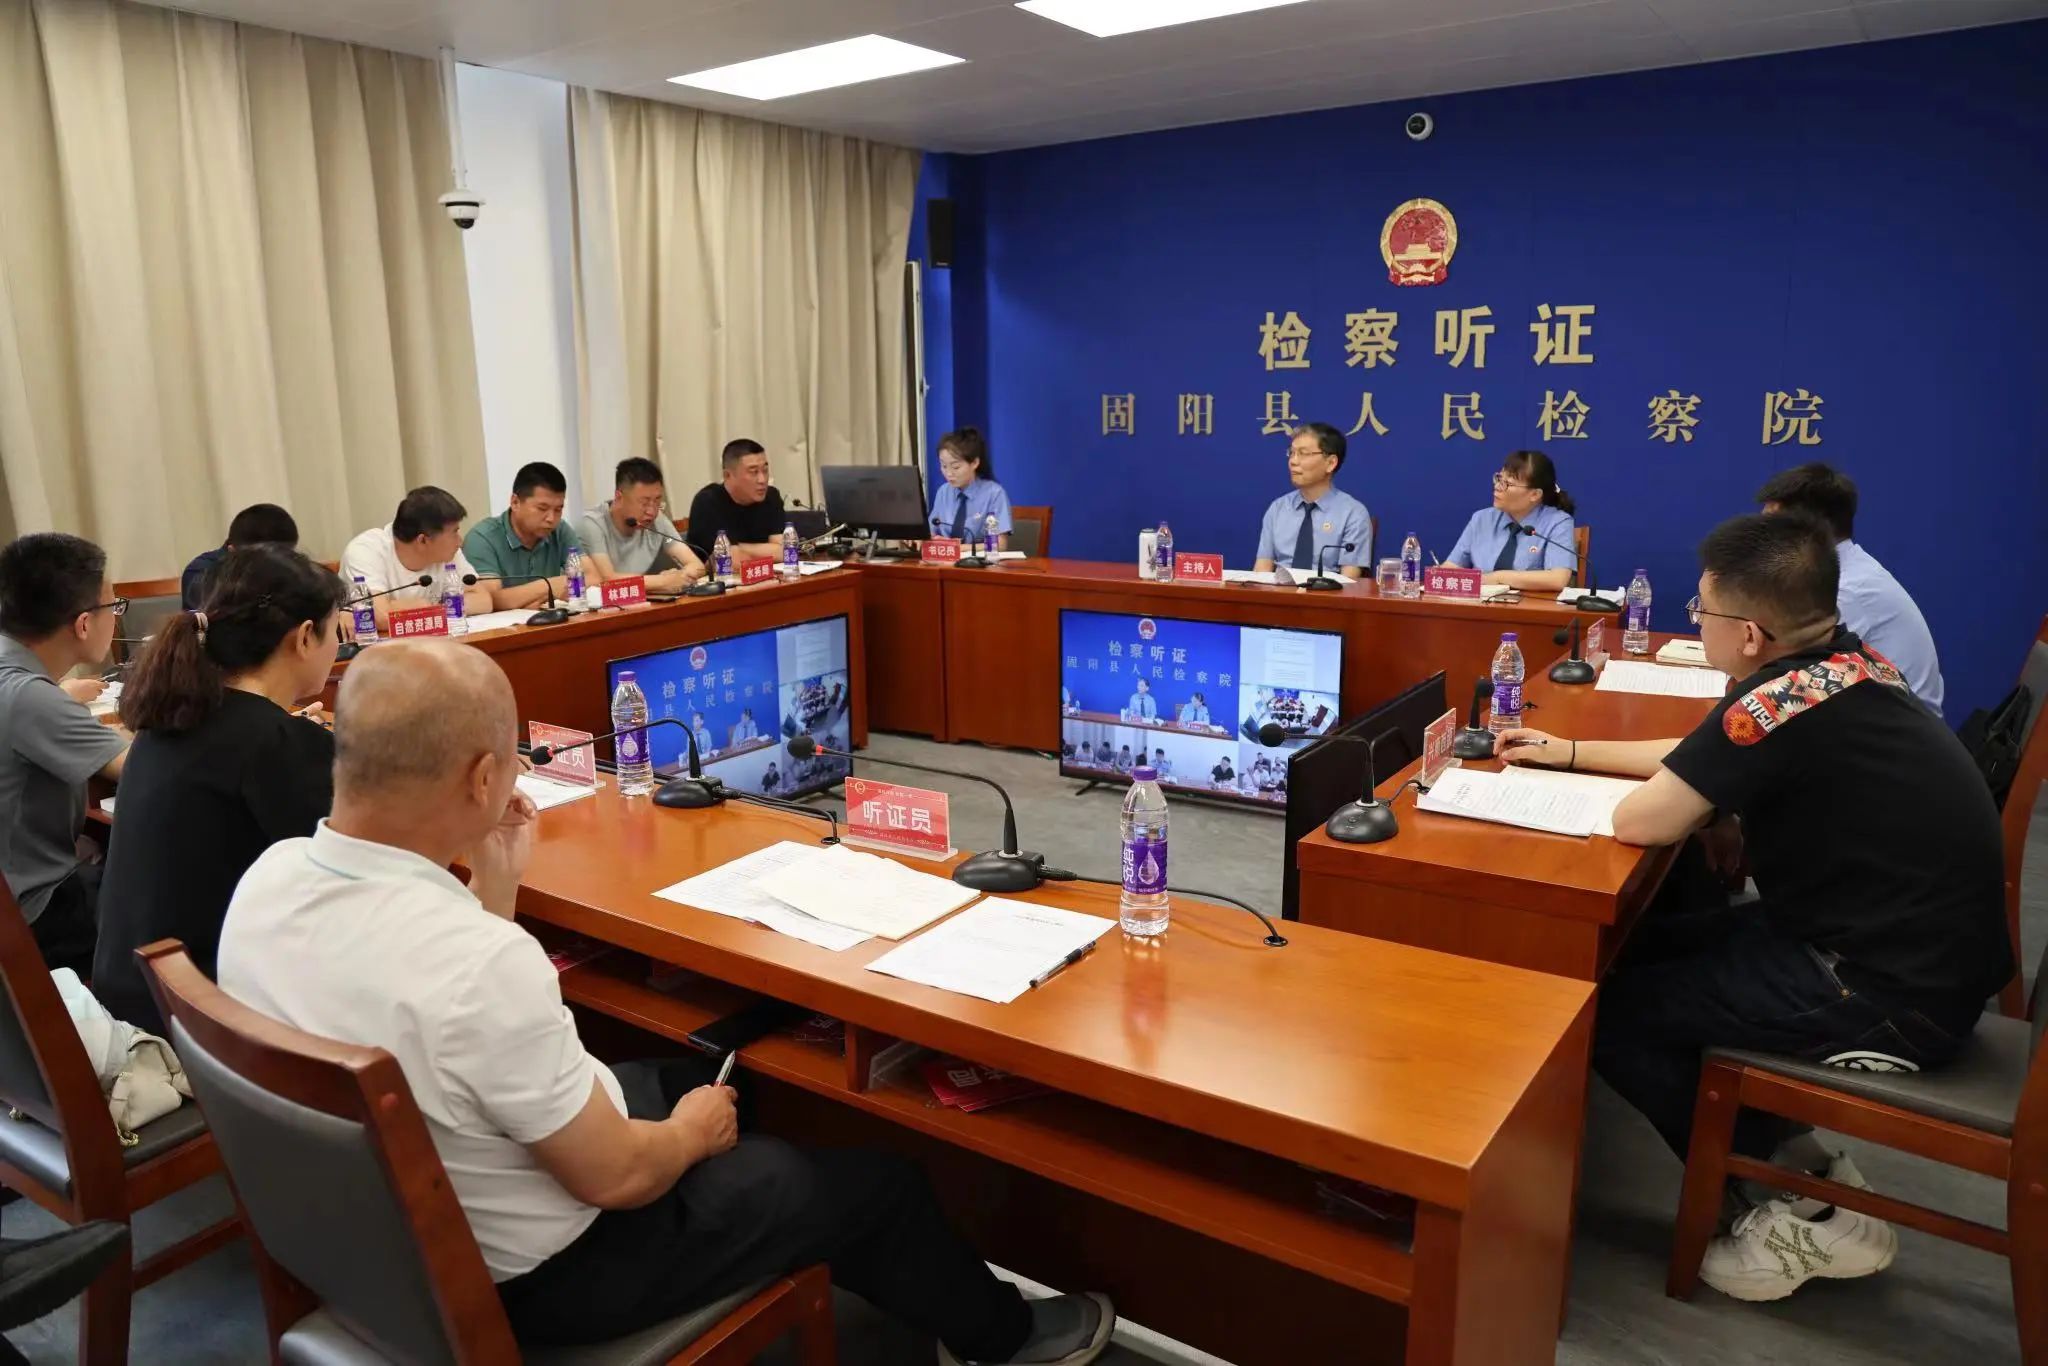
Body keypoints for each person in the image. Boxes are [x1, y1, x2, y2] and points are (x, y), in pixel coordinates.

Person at [216, 642, 1111, 1364]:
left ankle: (786, 1231)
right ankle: (1006, 1338)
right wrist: (690, 1136)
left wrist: (496, 894)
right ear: (485, 779)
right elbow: (615, 1178)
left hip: (372, 1240)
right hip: (548, 1276)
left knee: (706, 1073)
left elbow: (442, 1016)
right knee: (877, 1184)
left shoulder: (265, 883)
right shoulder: (480, 968)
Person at [1495, 513, 2009, 1305]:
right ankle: (1801, 1165)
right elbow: (1705, 759)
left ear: (1748, 634)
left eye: (1701, 611)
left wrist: (1695, 805)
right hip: (1906, 953)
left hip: (1889, 997)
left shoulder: (1774, 704)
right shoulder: (1843, 666)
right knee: (1642, 949)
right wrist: (1568, 752)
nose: (1696, 621)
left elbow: (1643, 821)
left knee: (1614, 1012)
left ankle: (1795, 1208)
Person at [94, 547, 343, 1034]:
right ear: (304, 637)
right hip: (207, 1023)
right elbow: (351, 878)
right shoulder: (277, 743)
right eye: (336, 630)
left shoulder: (170, 719)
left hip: (137, 998)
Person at [0, 534, 129, 975]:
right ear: (83, 624)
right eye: (114, 607)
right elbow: (144, 770)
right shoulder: (32, 698)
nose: (116, 617)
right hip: (31, 914)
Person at [1756, 462, 1944, 715]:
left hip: (1895, 730)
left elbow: (1792, 684)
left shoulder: (1848, 591)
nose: (1763, 536)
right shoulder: (1838, 572)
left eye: (1772, 524)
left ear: (1811, 529)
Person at [341, 486, 490, 629]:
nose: (460, 541)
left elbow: (483, 600)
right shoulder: (366, 551)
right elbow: (380, 616)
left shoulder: (448, 553)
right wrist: (446, 606)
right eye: (454, 532)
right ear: (423, 540)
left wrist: (430, 608)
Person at [463, 463, 592, 613]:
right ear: (515, 503)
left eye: (558, 510)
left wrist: (535, 597)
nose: (551, 518)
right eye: (542, 509)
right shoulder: (482, 537)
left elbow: (593, 577)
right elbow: (491, 599)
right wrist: (549, 586)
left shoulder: (559, 530)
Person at [1444, 450, 1579, 592]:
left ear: (1535, 494)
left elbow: (1557, 579)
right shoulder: (1481, 519)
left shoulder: (1557, 522)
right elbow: (1451, 567)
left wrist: (1498, 577)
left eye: (1507, 484)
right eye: (1499, 479)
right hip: (1480, 604)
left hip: (1530, 605)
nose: (1497, 487)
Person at [1252, 423, 1371, 579]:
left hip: (1328, 592)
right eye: (1291, 453)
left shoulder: (1353, 514)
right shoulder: (1278, 508)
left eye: (1303, 453)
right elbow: (1261, 572)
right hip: (1279, 590)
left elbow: (1349, 581)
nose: (1293, 461)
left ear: (1331, 463)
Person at [579, 457, 707, 594]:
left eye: (657, 501)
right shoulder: (592, 525)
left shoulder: (657, 522)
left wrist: (679, 577)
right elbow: (607, 580)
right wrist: (663, 581)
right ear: (619, 497)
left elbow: (697, 565)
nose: (651, 511)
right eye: (644, 503)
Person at [685, 439, 788, 564]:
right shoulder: (708, 502)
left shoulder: (771, 496)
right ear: (727, 475)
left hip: (765, 574)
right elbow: (731, 561)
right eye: (753, 472)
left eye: (765, 470)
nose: (762, 480)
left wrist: (739, 547)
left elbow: (785, 552)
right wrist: (768, 550)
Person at [181, 503, 298, 610]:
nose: (282, 565)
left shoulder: (291, 568)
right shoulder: (202, 573)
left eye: (288, 555)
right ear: (233, 552)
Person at [926, 427, 1012, 548]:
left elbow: (1000, 544)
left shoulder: (994, 494)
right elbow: (930, 532)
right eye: (944, 466)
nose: (948, 473)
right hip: (945, 558)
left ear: (975, 463)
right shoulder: (943, 492)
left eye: (955, 467)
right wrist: (919, 539)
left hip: (977, 560)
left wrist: (959, 548)